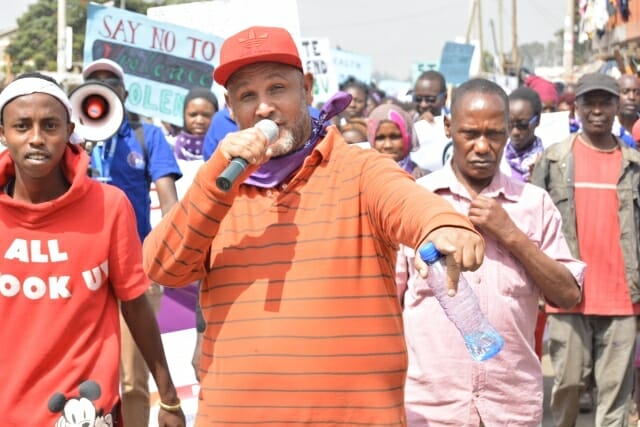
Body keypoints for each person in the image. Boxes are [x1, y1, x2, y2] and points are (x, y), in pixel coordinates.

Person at [142, 25, 485, 426]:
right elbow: (162, 266)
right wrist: (217, 176)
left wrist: (442, 225)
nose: (264, 108)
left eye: (277, 89)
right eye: (248, 96)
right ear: (230, 107)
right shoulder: (217, 188)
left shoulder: (360, 170)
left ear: (306, 89)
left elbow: (409, 203)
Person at [0, 73, 185, 426]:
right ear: (3, 132)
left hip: (82, 412)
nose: (36, 138)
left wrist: (170, 398)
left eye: (50, 125)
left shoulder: (109, 206)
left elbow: (135, 306)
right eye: (22, 126)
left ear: (69, 128)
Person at [397, 78, 583, 426]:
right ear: (449, 127)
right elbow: (387, 303)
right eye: (470, 134)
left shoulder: (533, 204)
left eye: (494, 134)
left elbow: (568, 294)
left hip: (510, 407)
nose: (482, 147)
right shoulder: (414, 201)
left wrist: (511, 235)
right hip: (432, 409)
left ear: (509, 131)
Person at [531, 72, 640, 427]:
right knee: (568, 384)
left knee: (615, 395)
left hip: (623, 298)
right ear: (575, 108)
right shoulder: (554, 161)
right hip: (568, 294)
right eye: (588, 103)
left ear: (616, 106)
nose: (597, 110)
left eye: (604, 102)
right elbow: (535, 226)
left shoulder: (634, 165)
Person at [82, 57, 182, 427]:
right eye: (96, 81)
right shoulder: (73, 136)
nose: (104, 86)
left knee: (132, 377)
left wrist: (158, 259)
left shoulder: (147, 135)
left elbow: (170, 204)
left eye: (111, 81)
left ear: (126, 92)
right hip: (81, 267)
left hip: (132, 266)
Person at [367, 103, 428, 178]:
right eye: (380, 138)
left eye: (395, 137)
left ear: (408, 137)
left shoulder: (426, 178)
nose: (388, 145)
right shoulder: (362, 181)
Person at [500, 86, 544, 182]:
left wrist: (539, 184)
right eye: (510, 124)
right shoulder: (497, 158)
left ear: (537, 120)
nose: (515, 132)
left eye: (523, 125)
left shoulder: (548, 161)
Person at [174, 87, 218, 161]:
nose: (199, 121)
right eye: (193, 114)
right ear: (184, 115)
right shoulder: (170, 149)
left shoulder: (224, 148)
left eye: (206, 115)